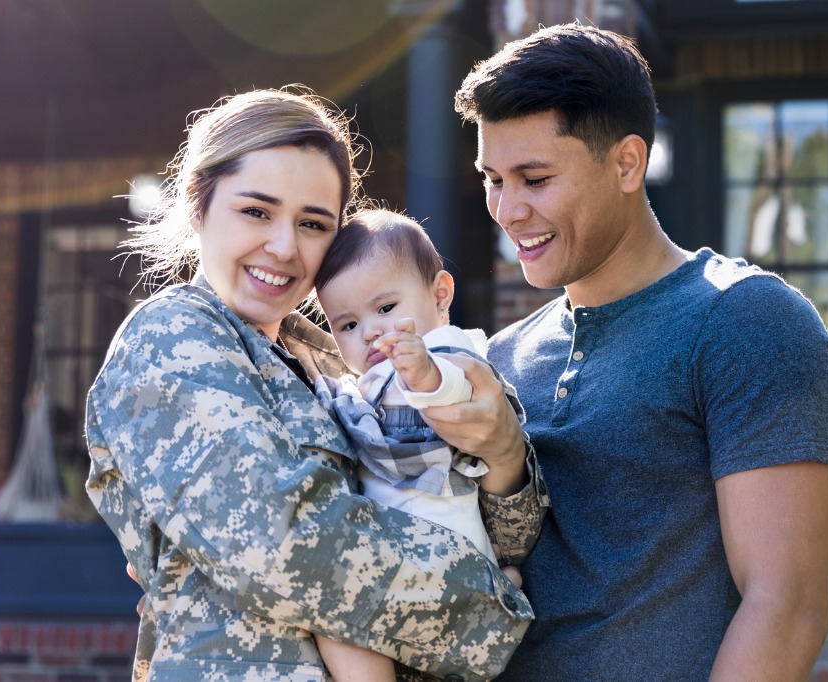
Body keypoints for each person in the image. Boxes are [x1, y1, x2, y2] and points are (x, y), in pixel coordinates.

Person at [85, 87, 548, 682]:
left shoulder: (340, 361)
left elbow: (508, 537)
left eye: (312, 224)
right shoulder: (173, 338)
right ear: (198, 207)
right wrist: (490, 605)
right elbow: (283, 547)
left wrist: (505, 453)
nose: (284, 247)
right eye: (256, 211)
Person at [450, 23, 828, 680]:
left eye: (535, 178)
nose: (508, 209)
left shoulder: (746, 320)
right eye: (493, 178)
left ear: (627, 163)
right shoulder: (503, 357)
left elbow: (788, 605)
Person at [308, 208, 527, 681]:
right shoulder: (360, 384)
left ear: (440, 294)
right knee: (336, 619)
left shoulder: (446, 348)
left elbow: (457, 389)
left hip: (442, 552)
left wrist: (422, 372)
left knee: (334, 611)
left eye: (385, 309)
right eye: (347, 324)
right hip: (402, 565)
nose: (370, 331)